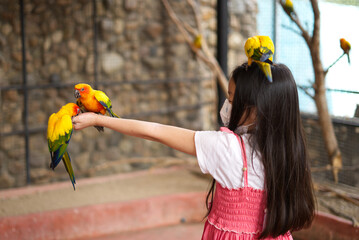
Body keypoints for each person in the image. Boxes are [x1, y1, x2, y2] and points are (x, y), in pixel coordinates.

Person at [72, 62, 315, 239]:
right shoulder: (289, 151)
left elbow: (154, 130)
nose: (227, 104)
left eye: (231, 98)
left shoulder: (228, 148)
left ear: (253, 108)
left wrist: (99, 120)